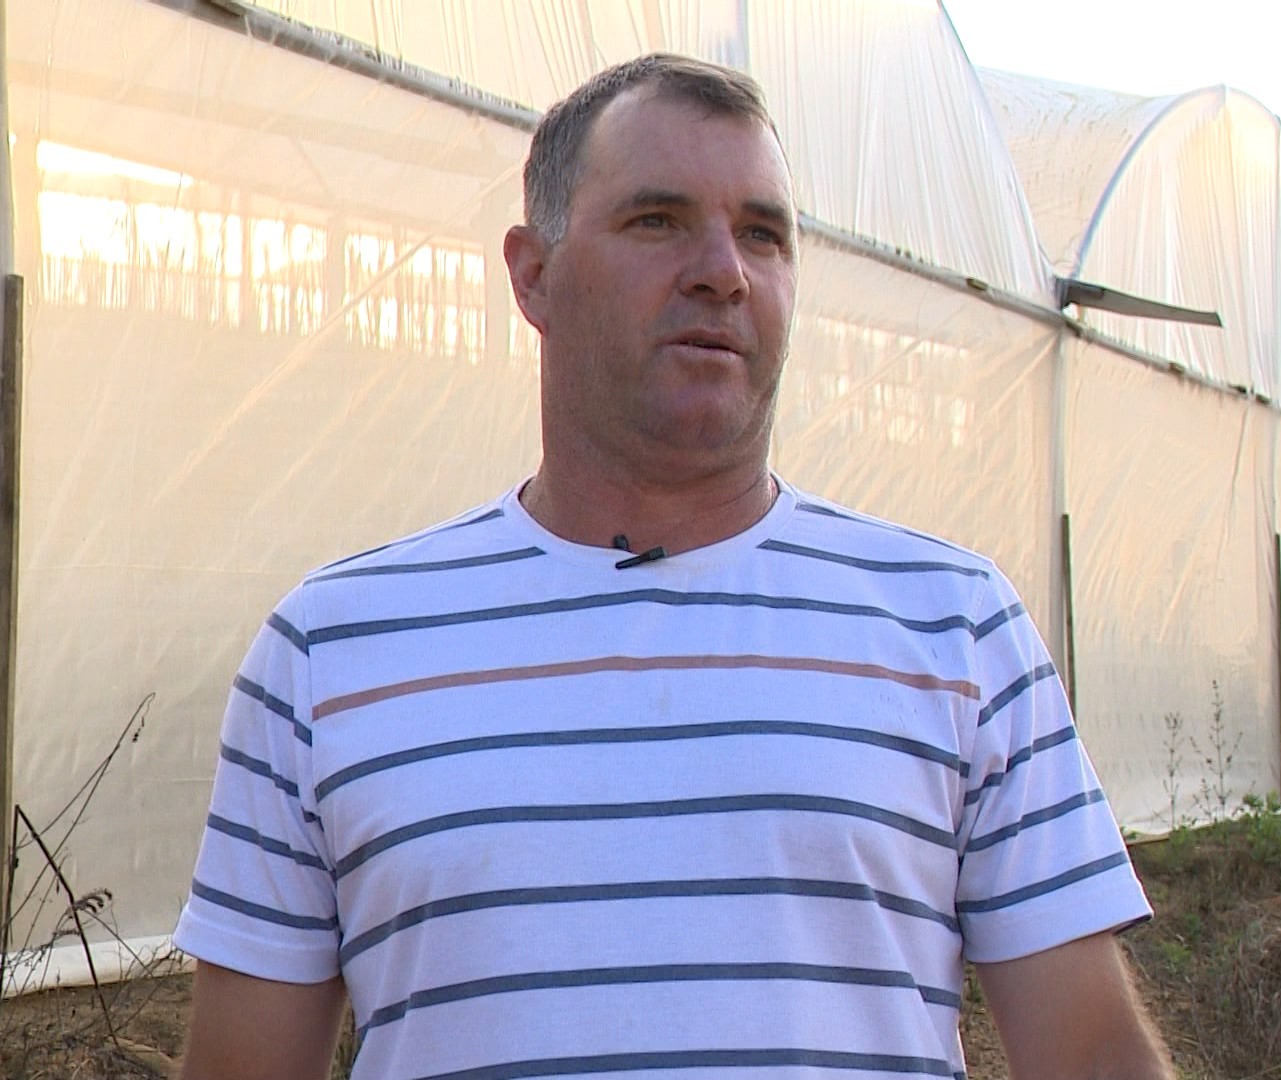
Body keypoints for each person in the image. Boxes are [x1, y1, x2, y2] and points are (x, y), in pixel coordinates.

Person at [173, 54, 1172, 1080]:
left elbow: (1092, 1053)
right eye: (658, 221)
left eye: (763, 234)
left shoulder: (952, 630)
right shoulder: (335, 651)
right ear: (533, 274)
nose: (723, 271)